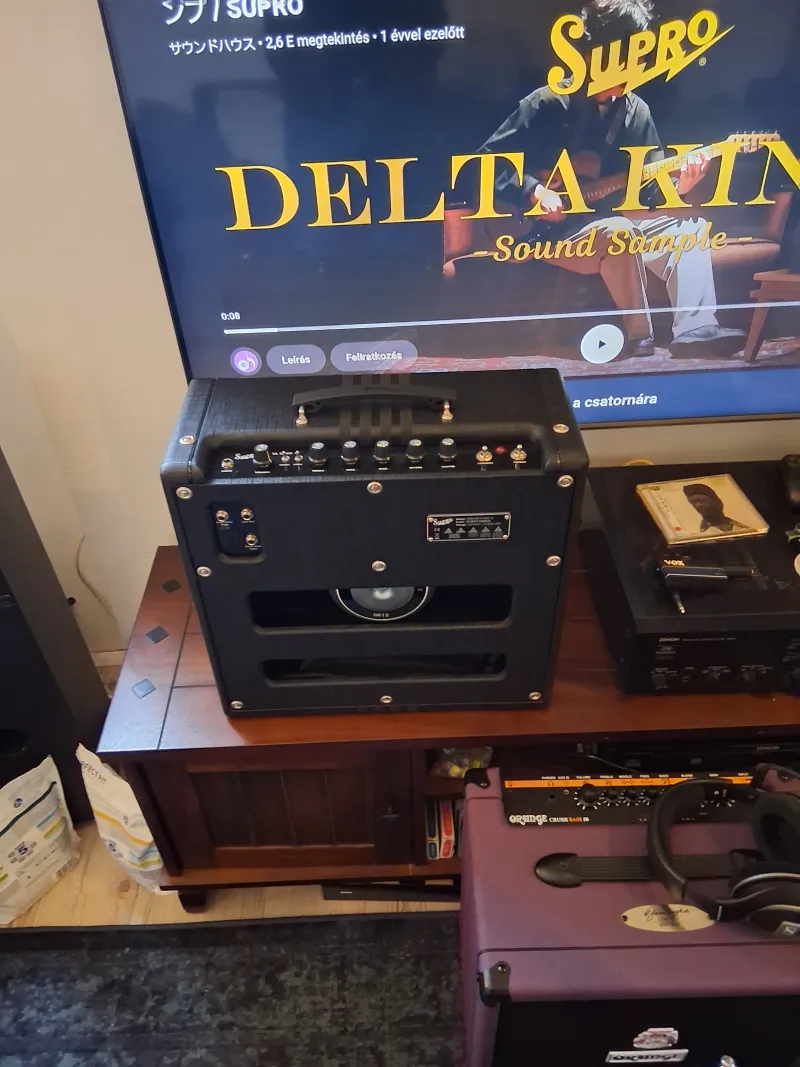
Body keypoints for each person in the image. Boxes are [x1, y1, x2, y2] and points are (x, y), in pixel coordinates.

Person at [480, 0, 745, 358]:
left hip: (612, 221)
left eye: (638, 57)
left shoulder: (637, 112)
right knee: (621, 231)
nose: (633, 67)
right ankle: (639, 336)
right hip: (547, 231)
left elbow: (648, 190)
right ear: (593, 53)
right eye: (624, 56)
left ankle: (696, 329)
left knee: (690, 228)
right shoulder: (546, 102)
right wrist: (534, 191)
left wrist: (680, 186)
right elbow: (486, 163)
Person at [682, 483, 755, 533]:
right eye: (693, 502)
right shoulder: (697, 533)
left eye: (702, 500)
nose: (698, 505)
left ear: (715, 501)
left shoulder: (744, 530)